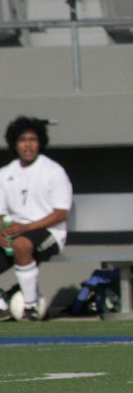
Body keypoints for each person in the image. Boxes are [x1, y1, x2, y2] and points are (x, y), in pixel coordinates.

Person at [0, 116, 73, 321]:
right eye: (23, 140)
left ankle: (30, 306)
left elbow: (61, 213)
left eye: (33, 139)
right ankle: (2, 304)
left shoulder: (53, 171)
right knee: (18, 243)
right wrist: (1, 233)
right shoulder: (5, 174)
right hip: (15, 231)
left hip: (50, 231)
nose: (28, 145)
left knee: (22, 245)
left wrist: (26, 227)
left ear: (40, 142)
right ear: (15, 143)